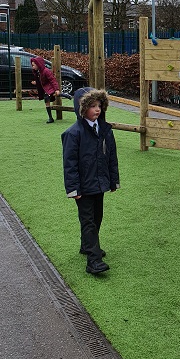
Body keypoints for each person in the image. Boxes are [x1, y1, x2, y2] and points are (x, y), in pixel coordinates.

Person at [61, 88, 120, 275]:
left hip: (99, 184)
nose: (97, 110)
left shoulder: (104, 130)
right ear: (82, 108)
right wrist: (73, 188)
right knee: (88, 221)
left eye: (99, 106)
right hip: (83, 187)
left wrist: (113, 181)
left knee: (97, 218)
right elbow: (69, 164)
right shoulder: (73, 133)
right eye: (92, 106)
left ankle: (87, 246)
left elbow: (111, 157)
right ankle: (93, 260)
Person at [30, 56, 67, 123]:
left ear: (38, 64)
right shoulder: (38, 72)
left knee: (50, 97)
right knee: (47, 101)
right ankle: (50, 117)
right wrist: (36, 83)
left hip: (49, 88)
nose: (32, 67)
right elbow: (41, 80)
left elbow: (53, 80)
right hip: (45, 89)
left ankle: (65, 95)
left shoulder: (46, 71)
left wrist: (56, 89)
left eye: (33, 65)